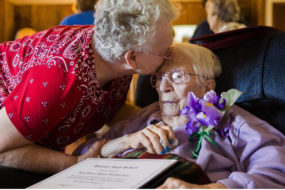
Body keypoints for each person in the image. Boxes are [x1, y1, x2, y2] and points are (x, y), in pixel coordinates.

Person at [0, 0, 178, 176]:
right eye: (164, 50)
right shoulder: (60, 78)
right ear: (132, 58)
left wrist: (161, 119)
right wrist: (76, 162)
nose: (169, 56)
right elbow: (2, 149)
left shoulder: (116, 53)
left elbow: (111, 109)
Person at [77, 43, 285, 188]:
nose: (163, 86)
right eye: (158, 78)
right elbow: (81, 157)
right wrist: (122, 143)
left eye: (177, 76)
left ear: (208, 85)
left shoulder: (232, 122)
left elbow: (275, 172)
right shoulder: (141, 121)